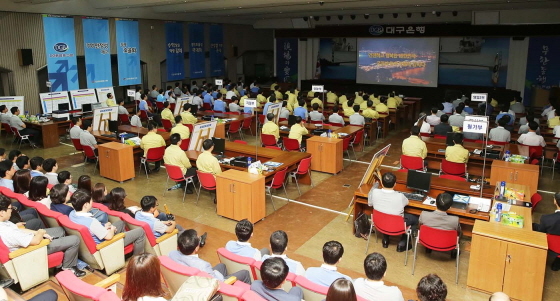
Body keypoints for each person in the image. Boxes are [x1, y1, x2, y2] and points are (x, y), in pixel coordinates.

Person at [0, 195, 85, 277]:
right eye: (10, 208)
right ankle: (68, 267)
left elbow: (19, 230)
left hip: (30, 240)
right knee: (75, 239)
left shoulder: (3, 222)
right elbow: (35, 241)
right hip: (32, 250)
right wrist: (40, 233)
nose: (11, 210)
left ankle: (60, 263)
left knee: (60, 230)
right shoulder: (7, 232)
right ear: (2, 212)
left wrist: (36, 232)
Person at [69, 189, 146, 254]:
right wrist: (111, 229)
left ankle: (120, 251)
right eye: (91, 200)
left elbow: (93, 230)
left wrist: (104, 226)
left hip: (97, 237)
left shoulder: (72, 214)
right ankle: (138, 258)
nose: (92, 202)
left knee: (121, 223)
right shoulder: (91, 222)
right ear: (86, 205)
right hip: (105, 245)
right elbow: (109, 236)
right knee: (140, 231)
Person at [169, 229, 250, 284]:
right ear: (197, 248)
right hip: (212, 285)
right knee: (245, 273)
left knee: (222, 266)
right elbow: (220, 283)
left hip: (188, 282)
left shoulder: (172, 254)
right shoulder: (203, 266)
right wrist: (215, 273)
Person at [368, 172, 418, 251]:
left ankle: (385, 239)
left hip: (380, 223)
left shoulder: (375, 192)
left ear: (382, 183)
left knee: (386, 215)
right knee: (415, 218)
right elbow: (407, 202)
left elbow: (370, 203)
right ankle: (403, 243)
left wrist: (375, 185)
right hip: (396, 225)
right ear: (395, 184)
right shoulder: (400, 196)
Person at [533, 191, 560, 270]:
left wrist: (534, 225)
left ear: (555, 201)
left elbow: (540, 233)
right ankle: (557, 264)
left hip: (551, 245)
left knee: (534, 226)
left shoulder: (546, 219)